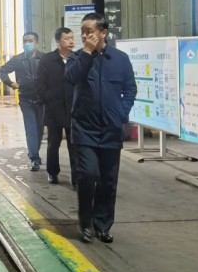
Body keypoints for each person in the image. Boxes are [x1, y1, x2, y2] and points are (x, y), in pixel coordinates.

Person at [65, 13, 136, 244]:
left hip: (111, 129)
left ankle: (103, 224)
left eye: (89, 31)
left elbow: (130, 89)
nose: (85, 35)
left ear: (103, 33)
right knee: (87, 175)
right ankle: (85, 223)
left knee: (108, 180)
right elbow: (71, 78)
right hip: (84, 129)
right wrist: (86, 52)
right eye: (82, 32)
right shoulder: (77, 57)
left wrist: (122, 114)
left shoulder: (120, 59)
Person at [0, 31, 45, 171]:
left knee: (39, 129)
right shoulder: (17, 59)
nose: (27, 43)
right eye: (25, 41)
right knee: (31, 128)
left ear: (36, 43)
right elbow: (2, 71)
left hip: (41, 99)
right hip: (26, 99)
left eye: (30, 41)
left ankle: (34, 151)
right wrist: (10, 83)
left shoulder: (44, 58)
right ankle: (34, 158)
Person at [37, 27, 76, 186]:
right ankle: (52, 173)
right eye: (67, 38)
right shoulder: (47, 60)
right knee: (54, 143)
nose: (71, 41)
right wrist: (46, 100)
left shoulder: (77, 58)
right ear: (58, 42)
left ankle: (77, 177)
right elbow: (41, 84)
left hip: (73, 108)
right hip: (54, 108)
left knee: (74, 144)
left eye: (72, 38)